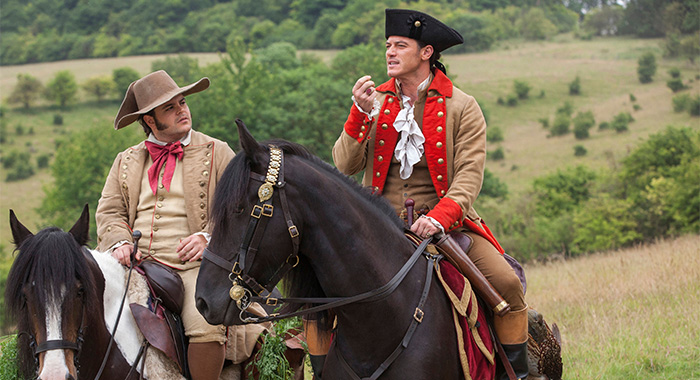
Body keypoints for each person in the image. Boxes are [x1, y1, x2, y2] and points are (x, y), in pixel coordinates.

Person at [331, 9, 528, 380]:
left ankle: (516, 374)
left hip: (444, 225)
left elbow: (468, 178)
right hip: (375, 226)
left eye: (400, 46)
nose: (389, 52)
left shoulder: (462, 106)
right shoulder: (376, 102)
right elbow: (343, 165)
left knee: (506, 284)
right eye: (388, 45)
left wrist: (438, 217)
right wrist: (359, 112)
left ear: (426, 53)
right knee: (319, 291)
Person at [96, 70, 258, 380]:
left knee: (205, 325)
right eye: (170, 108)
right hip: (136, 265)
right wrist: (119, 243)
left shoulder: (217, 151)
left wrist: (208, 236)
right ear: (150, 121)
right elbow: (110, 210)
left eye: (182, 102)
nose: (183, 110)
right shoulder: (126, 160)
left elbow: (241, 207)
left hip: (193, 266)